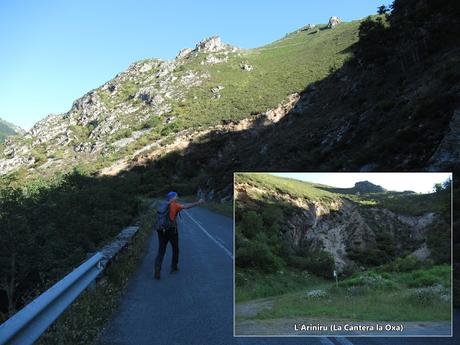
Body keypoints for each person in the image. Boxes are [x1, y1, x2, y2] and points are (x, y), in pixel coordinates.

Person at [154, 191, 204, 280]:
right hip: (171, 230)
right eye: (176, 196)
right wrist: (198, 202)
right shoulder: (175, 205)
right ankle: (174, 266)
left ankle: (157, 269)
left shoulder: (162, 204)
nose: (177, 197)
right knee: (175, 248)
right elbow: (187, 206)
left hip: (161, 230)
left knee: (161, 250)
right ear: (172, 197)